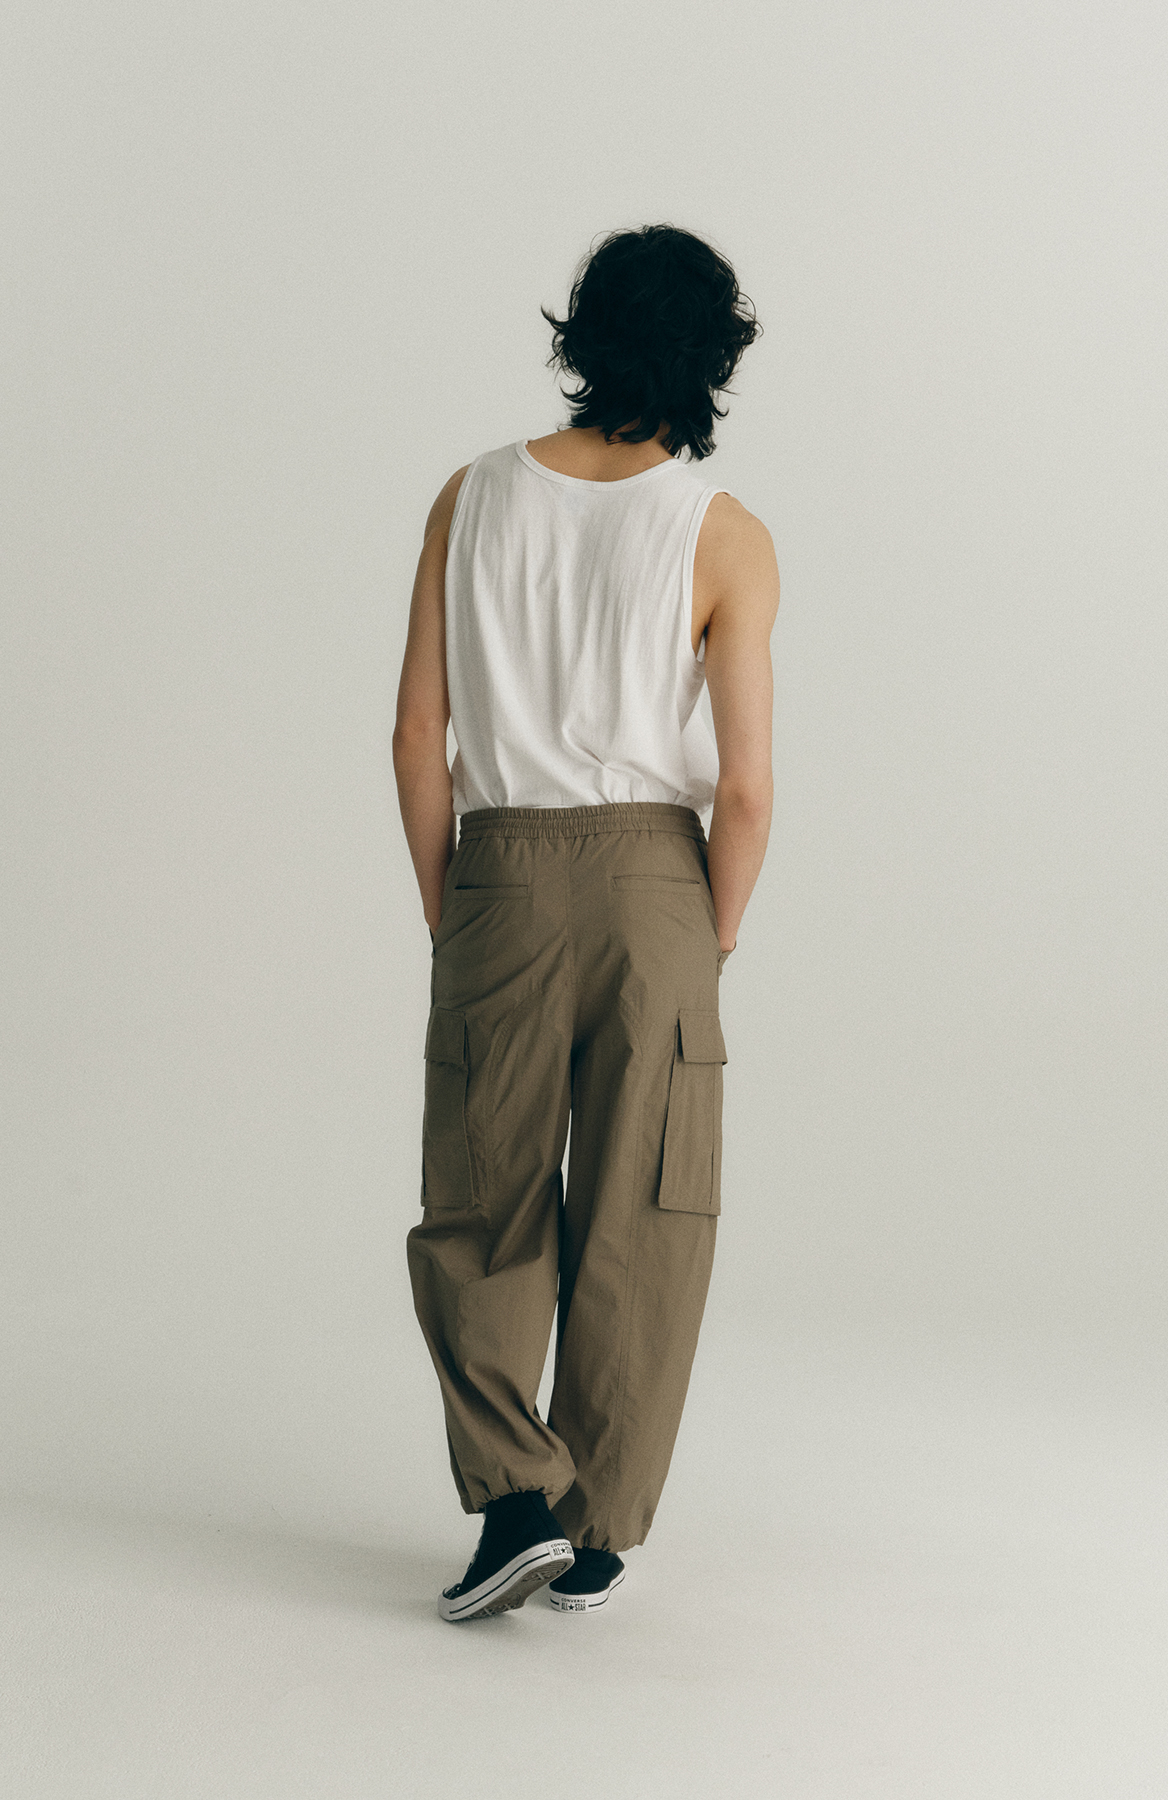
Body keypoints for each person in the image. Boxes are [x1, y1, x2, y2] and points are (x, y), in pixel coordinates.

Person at [392, 224, 778, 1621]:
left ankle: (512, 1504)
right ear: (714, 357)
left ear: (581, 333)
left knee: (481, 1190)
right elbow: (746, 787)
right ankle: (594, 1518)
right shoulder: (723, 533)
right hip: (658, 888)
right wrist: (710, 939)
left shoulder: (472, 496)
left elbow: (419, 736)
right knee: (645, 1203)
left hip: (498, 872)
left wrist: (454, 911)